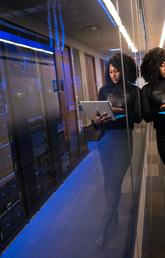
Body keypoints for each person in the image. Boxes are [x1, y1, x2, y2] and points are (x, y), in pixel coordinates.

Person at [93, 52, 141, 248]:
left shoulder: (133, 90)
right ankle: (113, 219)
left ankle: (104, 227)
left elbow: (138, 118)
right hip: (105, 140)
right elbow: (97, 122)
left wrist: (122, 112)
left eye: (116, 70)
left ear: (124, 70)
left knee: (114, 182)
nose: (113, 74)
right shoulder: (103, 90)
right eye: (110, 71)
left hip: (123, 141)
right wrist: (96, 121)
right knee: (109, 183)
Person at [141, 47, 165, 165]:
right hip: (162, 134)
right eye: (162, 65)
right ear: (154, 66)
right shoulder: (147, 89)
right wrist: (160, 109)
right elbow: (146, 116)